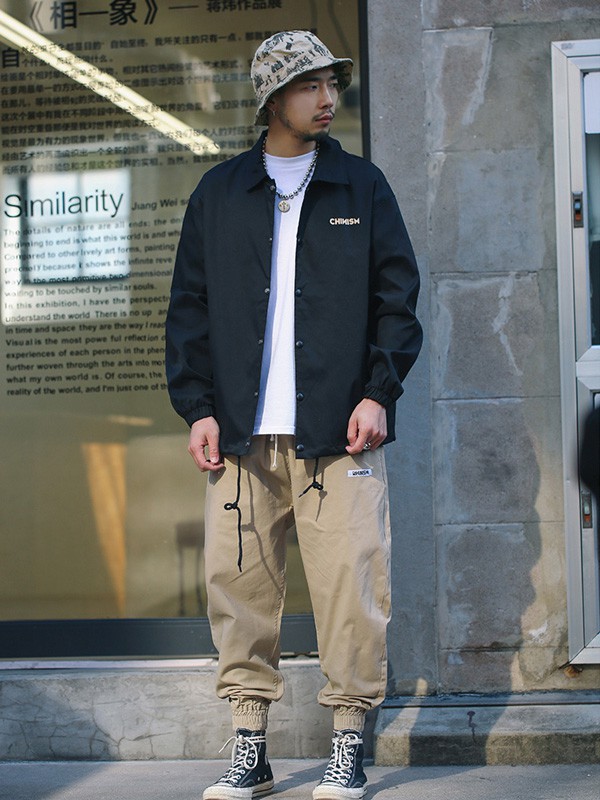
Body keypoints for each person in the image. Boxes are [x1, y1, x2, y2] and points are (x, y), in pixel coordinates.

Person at [165, 30, 422, 800]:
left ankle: (347, 744)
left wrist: (378, 392)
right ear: (273, 97)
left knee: (351, 588)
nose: (328, 97)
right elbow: (189, 310)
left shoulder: (360, 187)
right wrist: (198, 408)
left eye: (332, 83)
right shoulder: (219, 194)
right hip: (242, 437)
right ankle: (250, 746)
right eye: (311, 84)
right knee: (238, 588)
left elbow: (398, 301)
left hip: (338, 436)